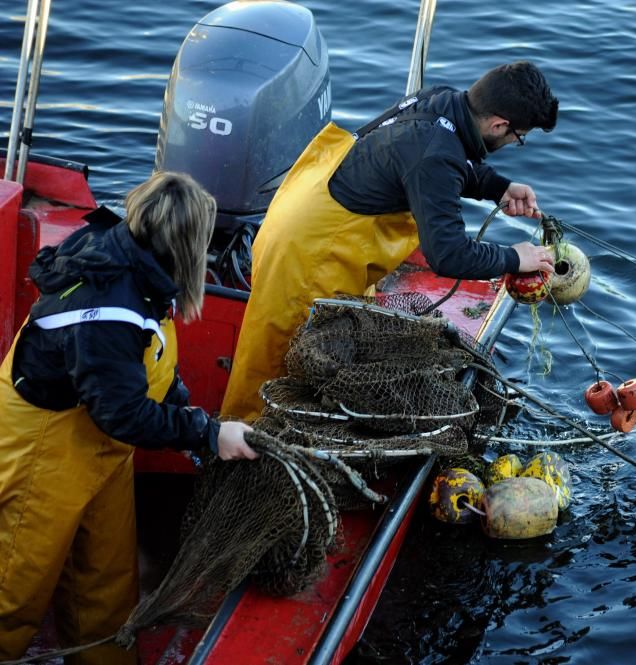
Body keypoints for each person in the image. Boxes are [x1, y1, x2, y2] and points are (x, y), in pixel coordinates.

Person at [0, 172, 258, 665]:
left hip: (99, 450)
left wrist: (181, 403)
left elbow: (147, 363)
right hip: (45, 451)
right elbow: (122, 412)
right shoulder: (107, 311)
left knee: (105, 581)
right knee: (14, 587)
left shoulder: (134, 261)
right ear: (188, 246)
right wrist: (206, 433)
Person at [221, 60, 560, 421]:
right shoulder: (435, 155)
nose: (514, 143)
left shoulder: (443, 99)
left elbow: (431, 161)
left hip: (311, 203)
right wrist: (514, 257)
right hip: (309, 251)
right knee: (277, 363)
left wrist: (497, 186)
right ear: (499, 124)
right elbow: (448, 255)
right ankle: (241, 442)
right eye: (517, 137)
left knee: (328, 348)